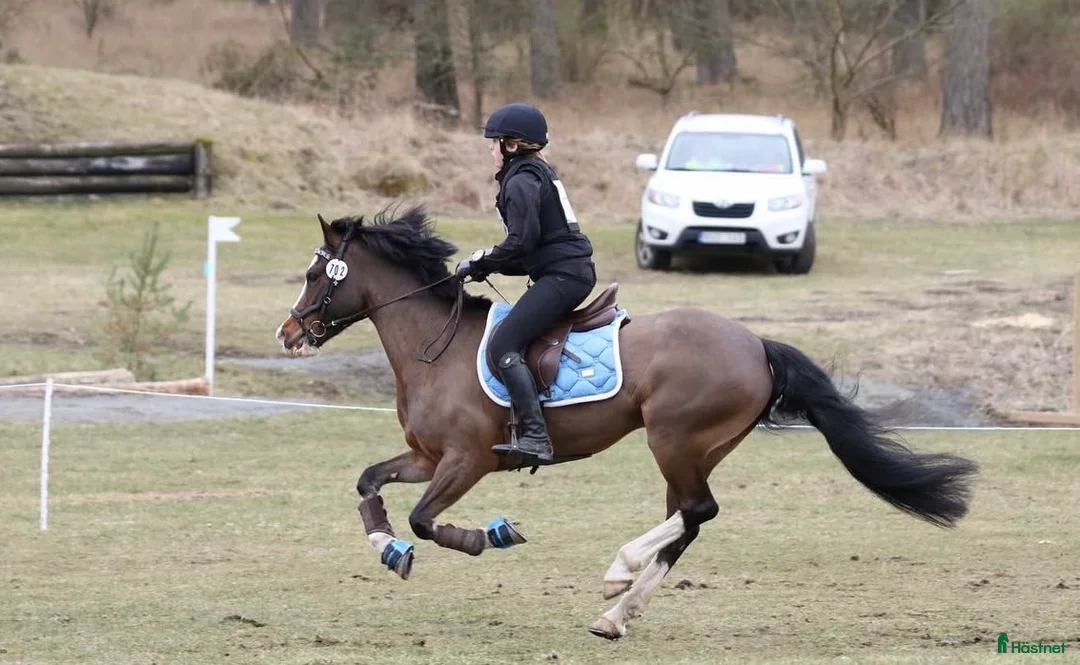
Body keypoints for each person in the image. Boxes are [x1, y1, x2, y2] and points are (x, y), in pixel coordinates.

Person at [455, 102, 597, 464]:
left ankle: (535, 436)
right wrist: (486, 266)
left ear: (511, 146)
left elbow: (521, 243)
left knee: (503, 344)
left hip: (564, 276)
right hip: (563, 271)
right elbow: (529, 249)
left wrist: (481, 261)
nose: (490, 149)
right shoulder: (534, 173)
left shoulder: (521, 181)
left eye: (494, 142)